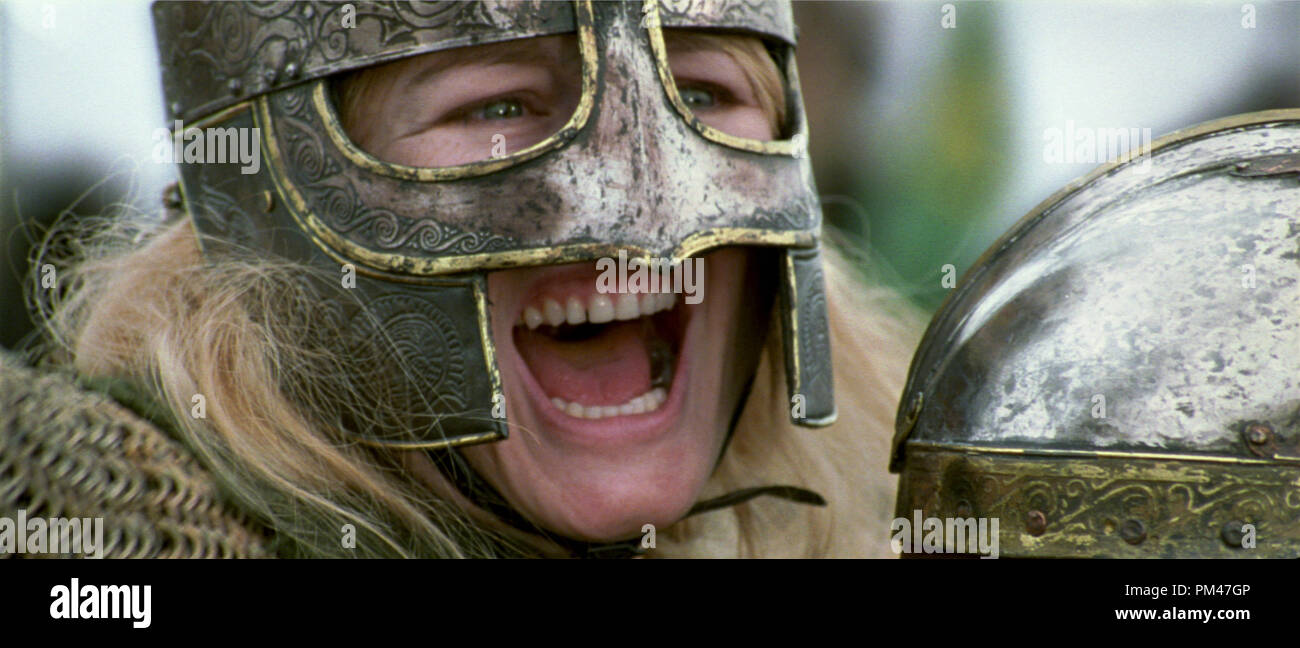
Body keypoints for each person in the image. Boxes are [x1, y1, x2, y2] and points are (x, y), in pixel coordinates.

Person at [2, 0, 918, 558]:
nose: (642, 205)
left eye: (704, 95)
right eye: (501, 106)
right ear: (268, 186)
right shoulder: (95, 534)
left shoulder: (893, 517)